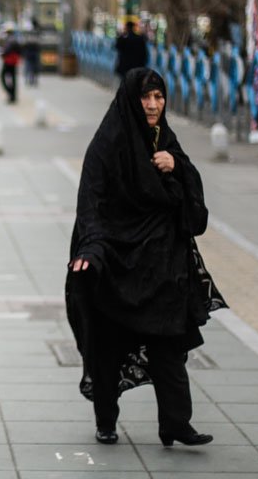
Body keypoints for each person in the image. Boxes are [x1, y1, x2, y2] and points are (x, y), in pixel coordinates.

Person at [66, 68, 225, 447]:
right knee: (107, 345)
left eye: (159, 97)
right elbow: (90, 200)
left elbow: (193, 206)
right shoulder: (108, 143)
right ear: (130, 100)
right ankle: (106, 418)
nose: (153, 105)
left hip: (162, 263)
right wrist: (90, 248)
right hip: (118, 261)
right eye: (146, 97)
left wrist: (177, 166)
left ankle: (175, 423)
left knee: (168, 343)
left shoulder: (165, 139)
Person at [0, 33, 22, 104]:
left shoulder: (9, 41)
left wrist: (2, 55)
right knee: (13, 78)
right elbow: (20, 51)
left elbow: (7, 51)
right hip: (14, 62)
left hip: (8, 62)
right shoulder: (15, 40)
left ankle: (10, 93)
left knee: (3, 77)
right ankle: (13, 95)